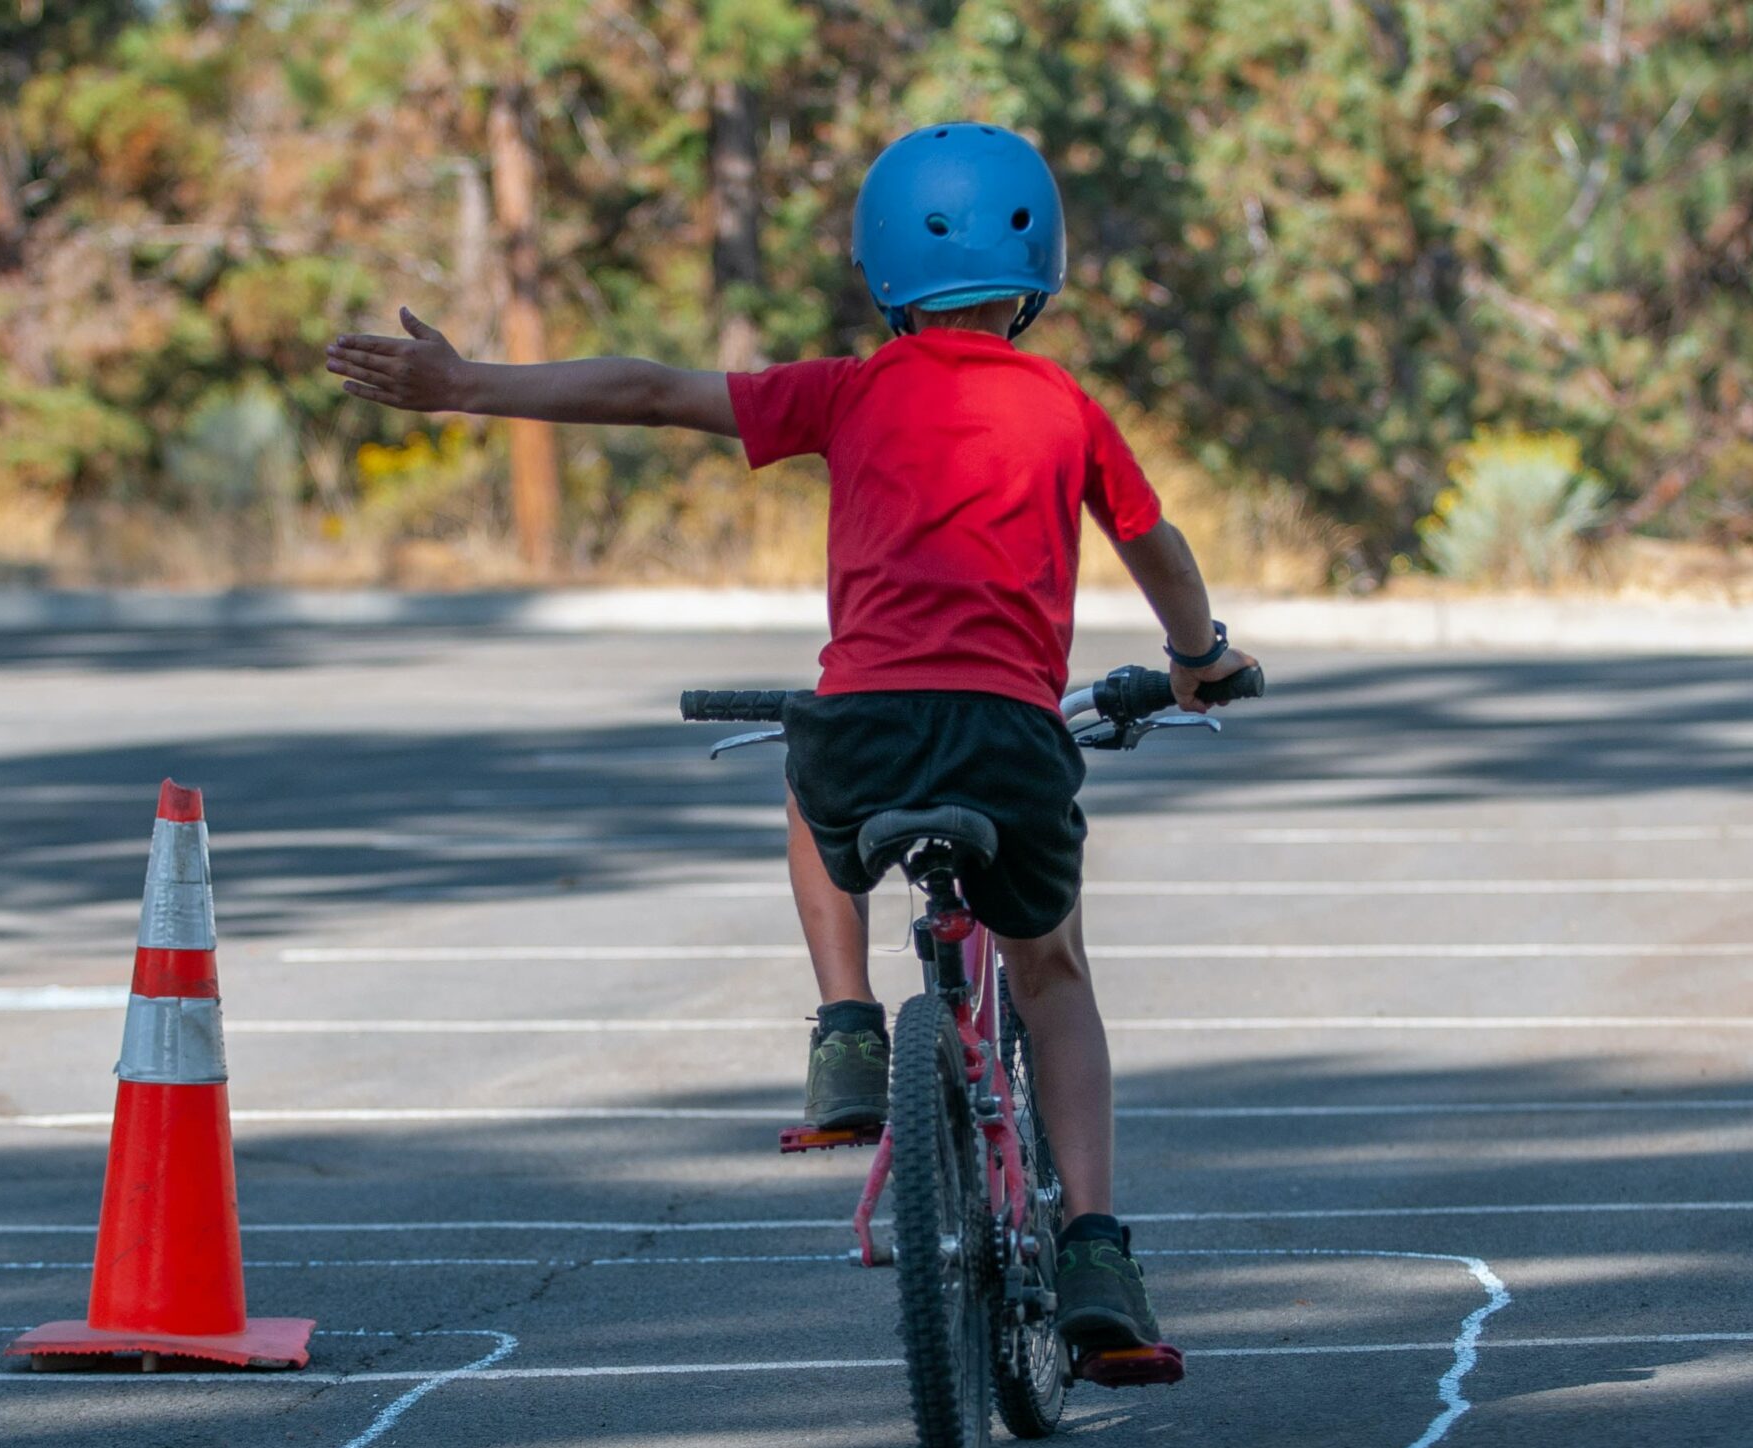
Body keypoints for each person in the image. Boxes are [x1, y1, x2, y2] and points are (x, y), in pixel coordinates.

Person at [325, 122, 1258, 1355]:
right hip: (1011, 735)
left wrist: (471, 384)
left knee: (810, 777)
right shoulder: (1068, 408)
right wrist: (1197, 658)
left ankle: (846, 1029)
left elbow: (652, 391)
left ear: (881, 270)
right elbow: (1155, 547)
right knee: (1054, 977)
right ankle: (1094, 1246)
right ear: (1039, 269)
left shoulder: (850, 388)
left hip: (865, 725)